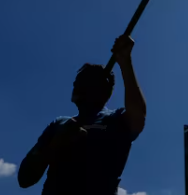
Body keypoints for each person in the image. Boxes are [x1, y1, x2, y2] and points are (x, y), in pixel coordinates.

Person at [18, 35, 146, 194]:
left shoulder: (116, 119)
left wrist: (125, 61)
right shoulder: (59, 124)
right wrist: (55, 145)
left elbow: (138, 115)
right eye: (76, 82)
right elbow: (24, 179)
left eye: (82, 81)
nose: (75, 85)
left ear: (102, 90)